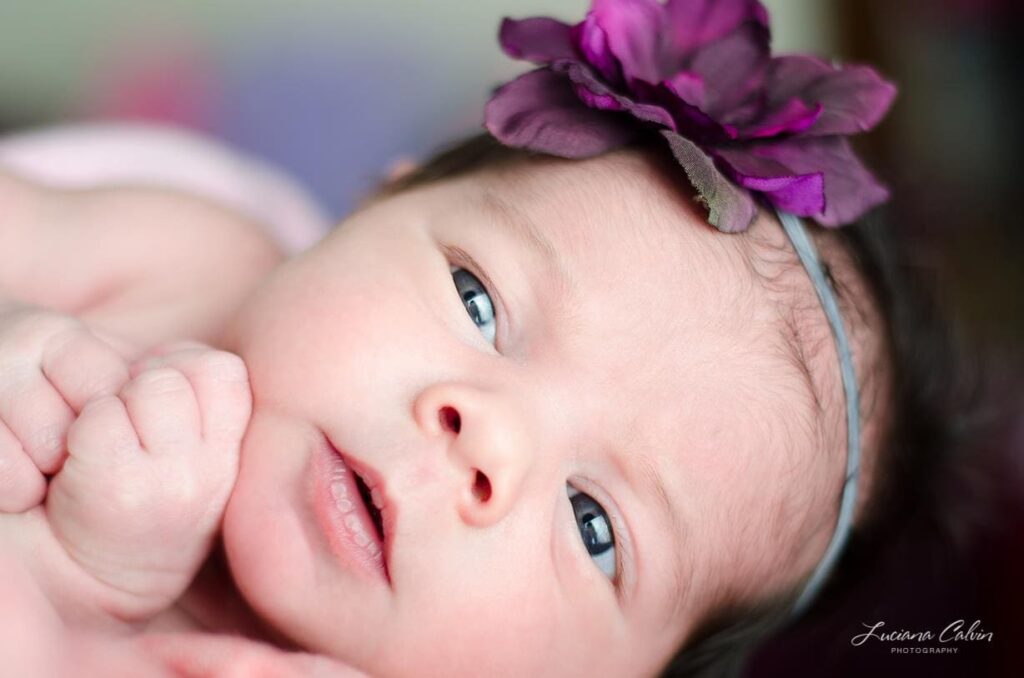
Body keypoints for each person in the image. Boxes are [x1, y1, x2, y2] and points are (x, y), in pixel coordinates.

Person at [0, 1, 961, 676]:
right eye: (478, 300)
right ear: (382, 195)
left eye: (595, 528)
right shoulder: (184, 260)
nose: (485, 436)